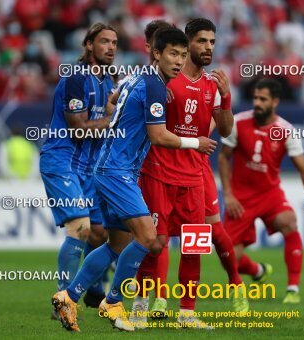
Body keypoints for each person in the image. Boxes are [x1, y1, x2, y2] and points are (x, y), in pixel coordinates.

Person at [51, 26, 217, 332]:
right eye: (173, 54)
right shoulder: (154, 85)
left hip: (110, 169)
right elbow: (157, 135)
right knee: (149, 237)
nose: (179, 61)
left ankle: (69, 296)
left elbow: (116, 103)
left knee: (117, 244)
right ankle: (113, 301)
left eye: (183, 55)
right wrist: (196, 143)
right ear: (156, 53)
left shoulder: (140, 78)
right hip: (118, 172)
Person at [133, 18, 235, 329]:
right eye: (201, 41)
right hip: (158, 173)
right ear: (186, 43)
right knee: (154, 243)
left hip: (193, 178)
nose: (208, 47)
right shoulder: (163, 81)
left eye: (212, 42)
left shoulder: (211, 86)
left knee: (194, 247)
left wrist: (227, 97)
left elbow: (227, 130)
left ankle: (187, 313)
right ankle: (139, 306)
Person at [218, 78, 304, 304]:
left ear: (275, 102)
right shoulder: (238, 122)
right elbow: (223, 158)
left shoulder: (285, 130)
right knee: (228, 257)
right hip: (241, 197)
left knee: (289, 221)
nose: (257, 103)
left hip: (269, 194)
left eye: (263, 99)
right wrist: (228, 194)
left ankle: (293, 289)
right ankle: (257, 270)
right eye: (255, 98)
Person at [39, 22, 116, 315]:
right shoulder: (76, 78)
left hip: (89, 168)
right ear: (89, 45)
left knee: (103, 234)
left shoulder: (108, 81)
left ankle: (94, 291)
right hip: (62, 161)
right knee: (81, 229)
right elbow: (79, 129)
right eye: (104, 41)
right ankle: (63, 301)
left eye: (115, 42)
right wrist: (115, 121)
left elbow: (106, 124)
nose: (111, 47)